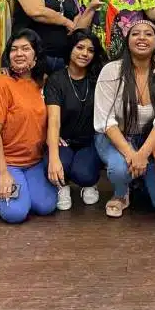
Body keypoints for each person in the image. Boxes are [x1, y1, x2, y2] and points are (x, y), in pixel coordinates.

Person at [93, 20, 155, 217]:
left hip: (150, 139)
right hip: (114, 137)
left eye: (148, 34)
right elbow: (106, 120)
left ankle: (140, 182)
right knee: (119, 170)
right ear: (127, 41)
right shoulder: (111, 71)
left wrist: (142, 154)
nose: (141, 38)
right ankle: (121, 193)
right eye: (135, 34)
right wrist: (131, 155)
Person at [0, 30, 57, 223]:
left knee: (47, 206)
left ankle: (24, 193)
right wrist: (3, 173)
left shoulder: (43, 82)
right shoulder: (2, 83)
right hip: (8, 163)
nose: (19, 54)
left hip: (34, 162)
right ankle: (0, 187)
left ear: (36, 55)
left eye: (25, 49)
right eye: (14, 49)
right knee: (15, 214)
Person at [45, 31, 105, 210]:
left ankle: (89, 183)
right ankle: (62, 186)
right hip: (63, 141)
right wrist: (53, 158)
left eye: (90, 50)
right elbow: (53, 119)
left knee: (84, 174)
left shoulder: (98, 78)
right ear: (70, 49)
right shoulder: (56, 80)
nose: (85, 54)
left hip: (90, 141)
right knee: (58, 165)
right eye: (79, 48)